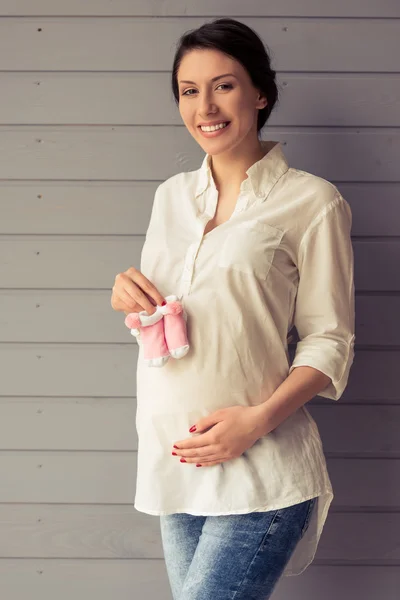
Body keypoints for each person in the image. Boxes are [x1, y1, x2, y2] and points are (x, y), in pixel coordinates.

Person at [111, 17, 355, 600]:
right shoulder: (169, 198)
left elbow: (331, 343)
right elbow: (170, 331)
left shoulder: (312, 200)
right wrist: (129, 297)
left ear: (260, 93)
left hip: (261, 466)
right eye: (189, 91)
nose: (205, 106)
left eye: (223, 85)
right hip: (176, 460)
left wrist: (256, 421)